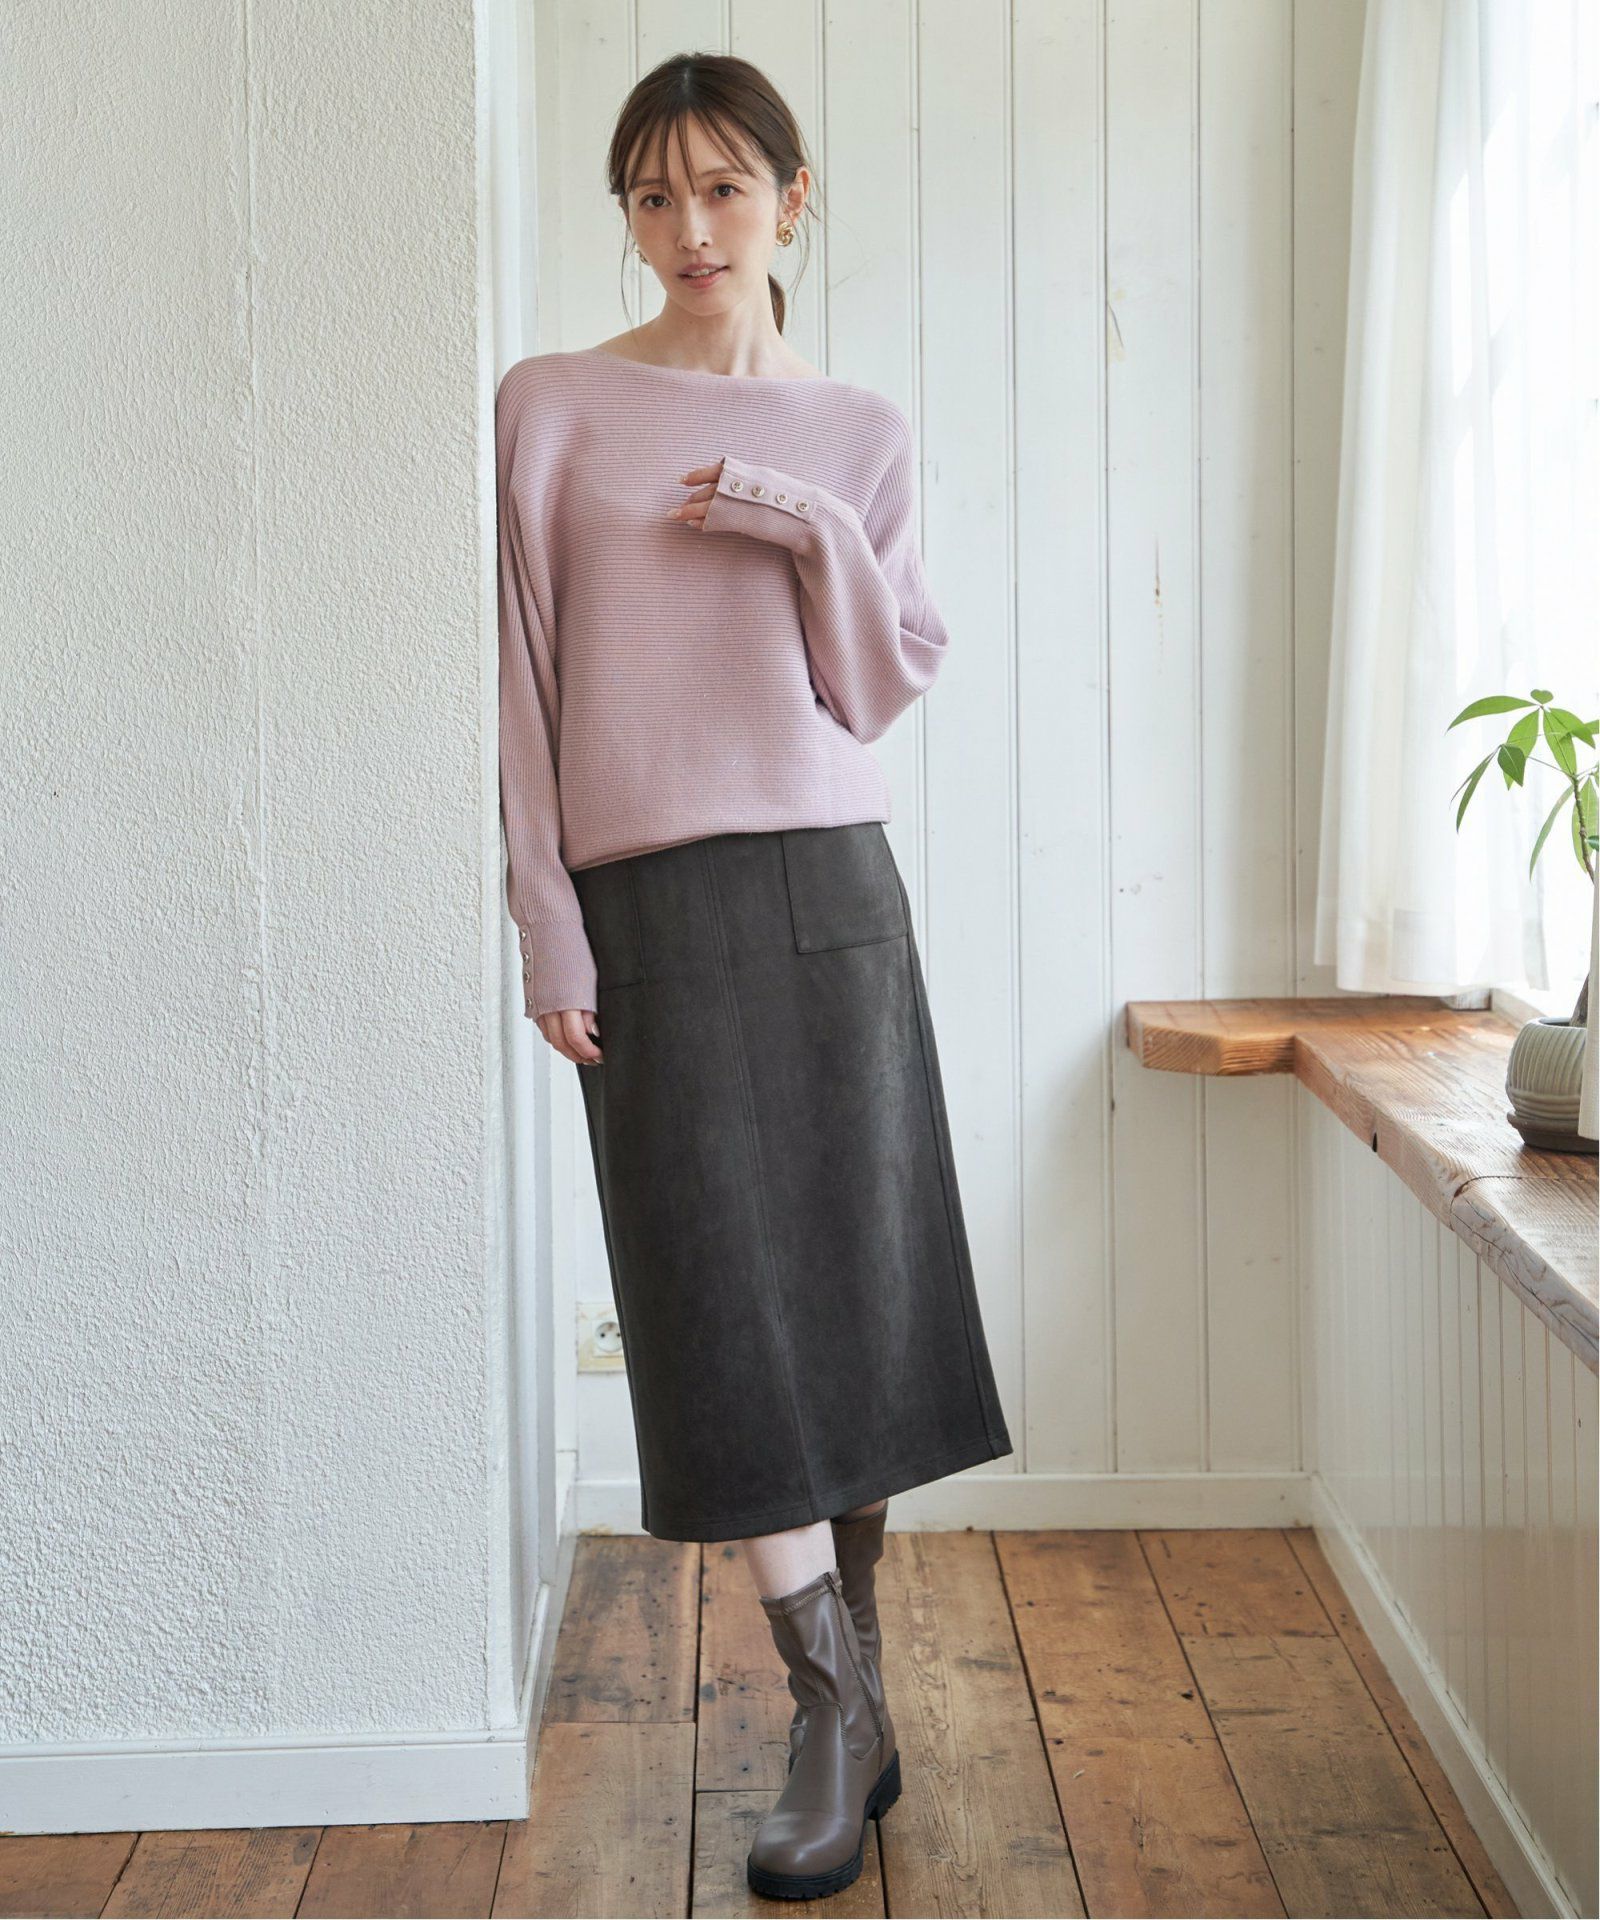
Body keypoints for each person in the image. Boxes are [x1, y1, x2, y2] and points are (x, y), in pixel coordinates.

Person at [495, 50, 1014, 1903]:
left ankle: (842, 1712)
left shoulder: (856, 429)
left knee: (852, 1287)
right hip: (645, 902)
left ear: (793, 198)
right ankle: (829, 1706)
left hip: (827, 884)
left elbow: (874, 686)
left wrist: (805, 523)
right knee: (714, 1298)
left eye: (722, 189)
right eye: (652, 196)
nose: (689, 229)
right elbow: (523, 684)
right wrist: (548, 920)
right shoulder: (552, 406)